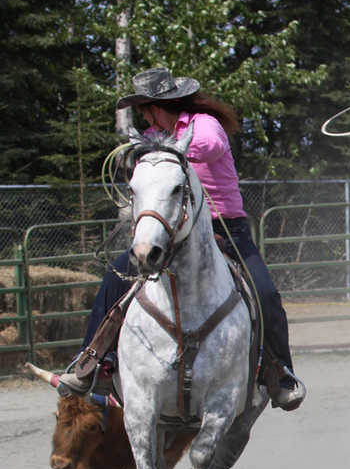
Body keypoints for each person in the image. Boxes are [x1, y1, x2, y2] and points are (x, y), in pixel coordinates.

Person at [61, 67, 305, 410]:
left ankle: (279, 373)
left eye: (146, 107)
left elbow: (210, 146)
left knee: (264, 293)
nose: (146, 115)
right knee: (116, 278)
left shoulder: (203, 124)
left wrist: (167, 151)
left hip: (223, 229)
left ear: (157, 106)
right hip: (172, 232)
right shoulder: (152, 135)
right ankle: (93, 362)